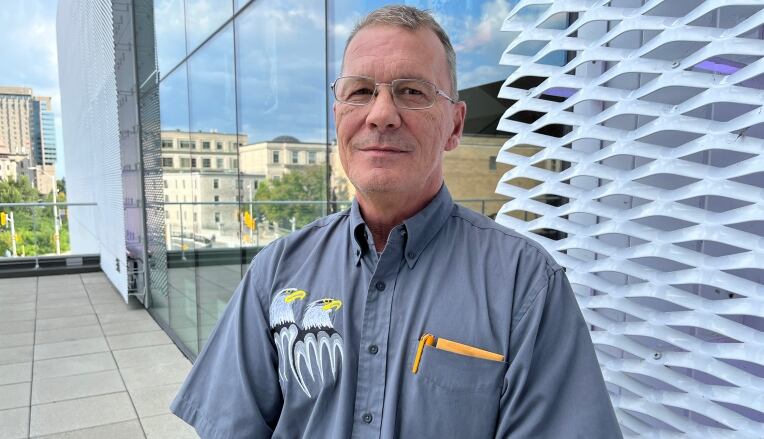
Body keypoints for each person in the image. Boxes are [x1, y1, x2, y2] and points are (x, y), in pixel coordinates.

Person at [171, 5, 622, 438]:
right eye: (361, 92)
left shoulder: (525, 285)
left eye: (412, 91)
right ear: (338, 117)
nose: (382, 114)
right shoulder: (276, 271)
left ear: (455, 126)